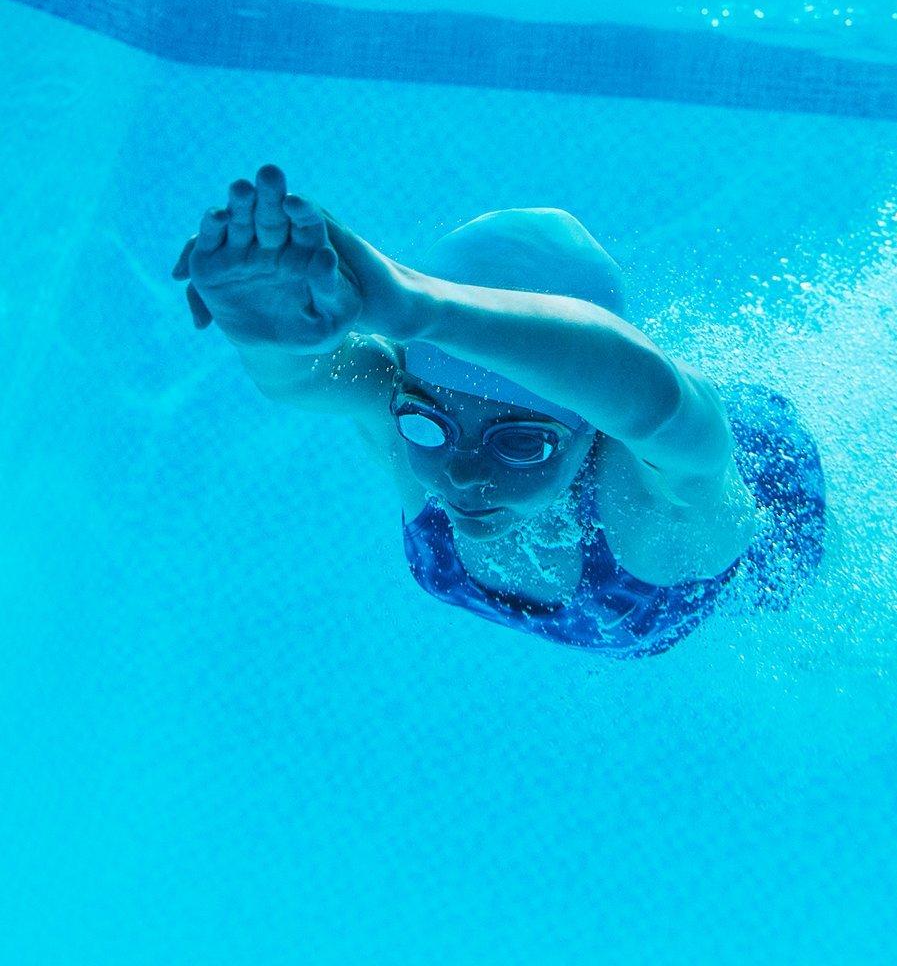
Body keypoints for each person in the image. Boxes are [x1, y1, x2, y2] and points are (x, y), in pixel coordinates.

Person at [173, 164, 825, 658]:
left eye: (519, 443)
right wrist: (264, 334)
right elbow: (304, 374)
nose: (462, 474)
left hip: (767, 484)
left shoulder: (653, 503)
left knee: (791, 603)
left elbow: (662, 409)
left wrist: (423, 309)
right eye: (429, 421)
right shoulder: (399, 406)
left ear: (592, 431)